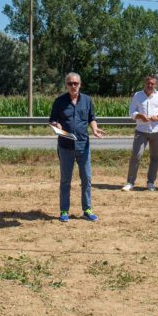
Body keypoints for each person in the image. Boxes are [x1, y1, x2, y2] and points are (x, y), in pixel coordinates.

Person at [49, 72, 105, 222]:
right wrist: (56, 125)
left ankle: (87, 209)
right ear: (66, 85)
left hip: (83, 145)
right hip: (65, 146)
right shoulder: (59, 101)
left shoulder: (87, 100)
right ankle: (64, 210)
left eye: (75, 83)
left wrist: (94, 129)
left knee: (86, 178)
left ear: (80, 85)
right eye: (70, 83)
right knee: (65, 180)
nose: (73, 86)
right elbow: (52, 120)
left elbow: (91, 118)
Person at [122, 75, 158, 191]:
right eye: (148, 83)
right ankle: (130, 182)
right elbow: (131, 111)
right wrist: (139, 116)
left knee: (155, 157)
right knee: (136, 156)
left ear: (156, 84)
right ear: (144, 83)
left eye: (152, 83)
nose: (150, 85)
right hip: (141, 131)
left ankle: (151, 182)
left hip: (156, 131)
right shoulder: (137, 95)